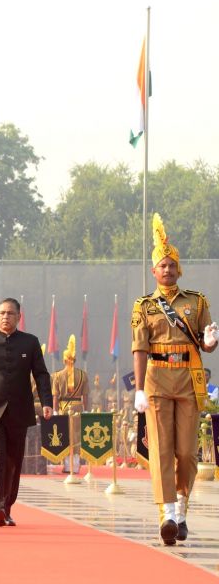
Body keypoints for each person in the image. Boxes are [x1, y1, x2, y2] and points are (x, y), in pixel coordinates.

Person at [132, 213, 218, 546]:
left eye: (172, 266)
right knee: (162, 450)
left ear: (178, 269)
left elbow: (207, 341)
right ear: (153, 272)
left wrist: (211, 341)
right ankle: (166, 513)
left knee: (187, 452)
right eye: (161, 266)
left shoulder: (197, 302)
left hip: (188, 378)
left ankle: (182, 507)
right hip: (156, 380)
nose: (167, 270)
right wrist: (138, 388)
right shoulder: (144, 306)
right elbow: (139, 348)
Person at [0, 297, 52, 527]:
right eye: (2, 313)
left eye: (10, 313)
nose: (6, 317)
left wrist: (46, 401)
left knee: (14, 462)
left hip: (20, 411)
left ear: (18, 317)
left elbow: (41, 374)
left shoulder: (30, 343)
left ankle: (7, 506)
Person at [52, 335, 89, 472]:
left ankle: (68, 465)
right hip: (78, 409)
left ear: (64, 360)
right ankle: (77, 465)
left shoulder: (57, 376)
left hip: (64, 410)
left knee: (66, 436)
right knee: (77, 436)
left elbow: (55, 397)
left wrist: (55, 411)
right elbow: (85, 396)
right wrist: (86, 410)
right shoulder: (83, 375)